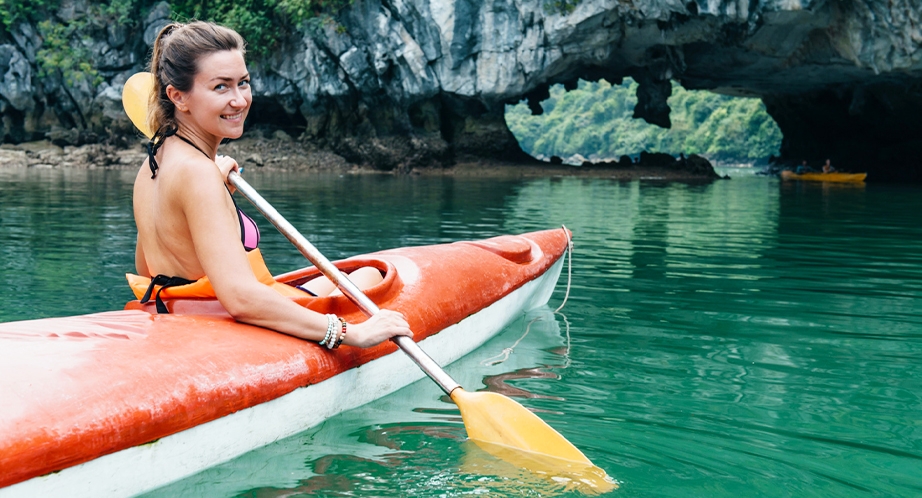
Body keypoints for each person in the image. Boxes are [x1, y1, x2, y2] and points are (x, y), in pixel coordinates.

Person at [130, 21, 412, 348]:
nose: (239, 100)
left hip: (181, 311)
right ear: (178, 97)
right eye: (221, 87)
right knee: (368, 277)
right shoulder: (198, 174)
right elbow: (239, 298)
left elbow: (149, 267)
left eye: (243, 83)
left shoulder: (154, 162)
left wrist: (214, 194)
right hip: (220, 322)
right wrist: (351, 333)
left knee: (356, 275)